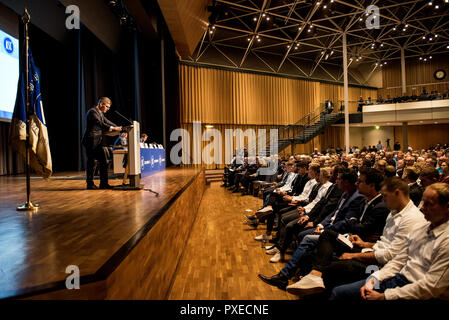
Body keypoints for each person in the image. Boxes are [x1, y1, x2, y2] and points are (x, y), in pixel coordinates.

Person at [82, 97, 122, 190]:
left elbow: (106, 121)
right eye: (107, 107)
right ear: (101, 104)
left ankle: (103, 184)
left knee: (104, 160)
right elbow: (100, 123)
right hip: (90, 141)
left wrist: (118, 127)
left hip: (96, 142)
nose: (107, 109)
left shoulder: (99, 113)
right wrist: (113, 128)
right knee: (91, 162)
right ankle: (90, 184)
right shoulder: (92, 112)